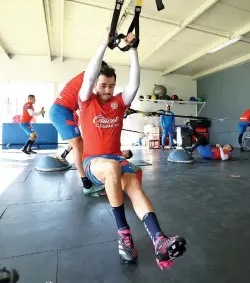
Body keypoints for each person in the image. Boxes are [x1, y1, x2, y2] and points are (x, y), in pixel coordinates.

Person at [77, 29, 187, 269]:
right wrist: (103, 43)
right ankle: (123, 233)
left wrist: (133, 49)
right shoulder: (86, 101)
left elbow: (134, 83)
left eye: (111, 86)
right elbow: (88, 77)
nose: (107, 90)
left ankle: (160, 240)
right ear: (96, 84)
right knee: (113, 166)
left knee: (135, 188)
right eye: (103, 85)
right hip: (94, 163)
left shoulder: (118, 103)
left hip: (116, 160)